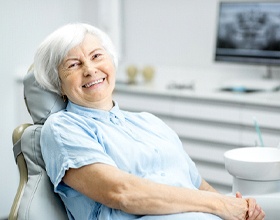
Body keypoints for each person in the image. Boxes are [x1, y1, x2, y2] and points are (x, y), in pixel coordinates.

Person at [33, 23, 265, 220]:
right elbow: (122, 193)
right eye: (74, 64)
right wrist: (220, 205)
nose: (90, 69)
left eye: (96, 56)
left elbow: (199, 185)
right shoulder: (63, 128)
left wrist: (238, 210)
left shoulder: (149, 122)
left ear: (111, 63)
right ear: (59, 85)